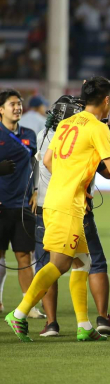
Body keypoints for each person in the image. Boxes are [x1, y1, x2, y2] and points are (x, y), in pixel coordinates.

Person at [5, 76, 110, 342]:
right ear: (106, 100)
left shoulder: (65, 124)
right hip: (70, 205)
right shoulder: (98, 128)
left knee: (83, 262)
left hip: (54, 199)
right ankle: (19, 314)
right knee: (60, 264)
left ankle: (84, 325)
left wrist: (70, 178)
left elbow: (46, 160)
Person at [34, 123, 110, 337]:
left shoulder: (45, 133)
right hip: (75, 207)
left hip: (45, 206)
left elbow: (44, 162)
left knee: (53, 263)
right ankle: (101, 317)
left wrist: (36, 190)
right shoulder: (87, 131)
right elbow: (108, 171)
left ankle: (52, 323)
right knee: (87, 262)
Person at [0, 89, 42, 318]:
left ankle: (29, 305)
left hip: (24, 205)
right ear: (1, 109)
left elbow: (35, 165)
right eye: (12, 104)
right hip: (1, 206)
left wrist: (36, 190)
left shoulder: (29, 134)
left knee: (25, 256)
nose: (17, 108)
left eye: (19, 104)